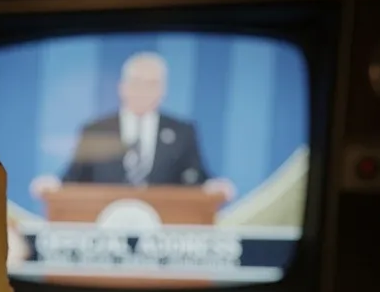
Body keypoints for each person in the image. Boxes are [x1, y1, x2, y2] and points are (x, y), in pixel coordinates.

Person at [30, 52, 235, 201]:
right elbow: (74, 178)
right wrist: (53, 185)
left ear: (163, 90)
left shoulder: (182, 131)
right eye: (137, 82)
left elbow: (196, 177)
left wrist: (213, 187)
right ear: (123, 87)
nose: (144, 90)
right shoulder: (95, 130)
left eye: (152, 83)